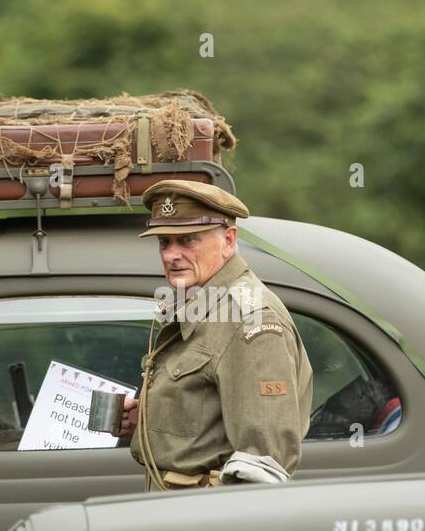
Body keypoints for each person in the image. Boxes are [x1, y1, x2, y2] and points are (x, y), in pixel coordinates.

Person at [120, 179, 313, 490]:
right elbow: (209, 411)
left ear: (229, 240)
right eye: (164, 243)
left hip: (205, 523)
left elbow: (263, 465)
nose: (171, 255)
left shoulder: (249, 320)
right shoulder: (205, 302)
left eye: (187, 240)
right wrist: (152, 418)